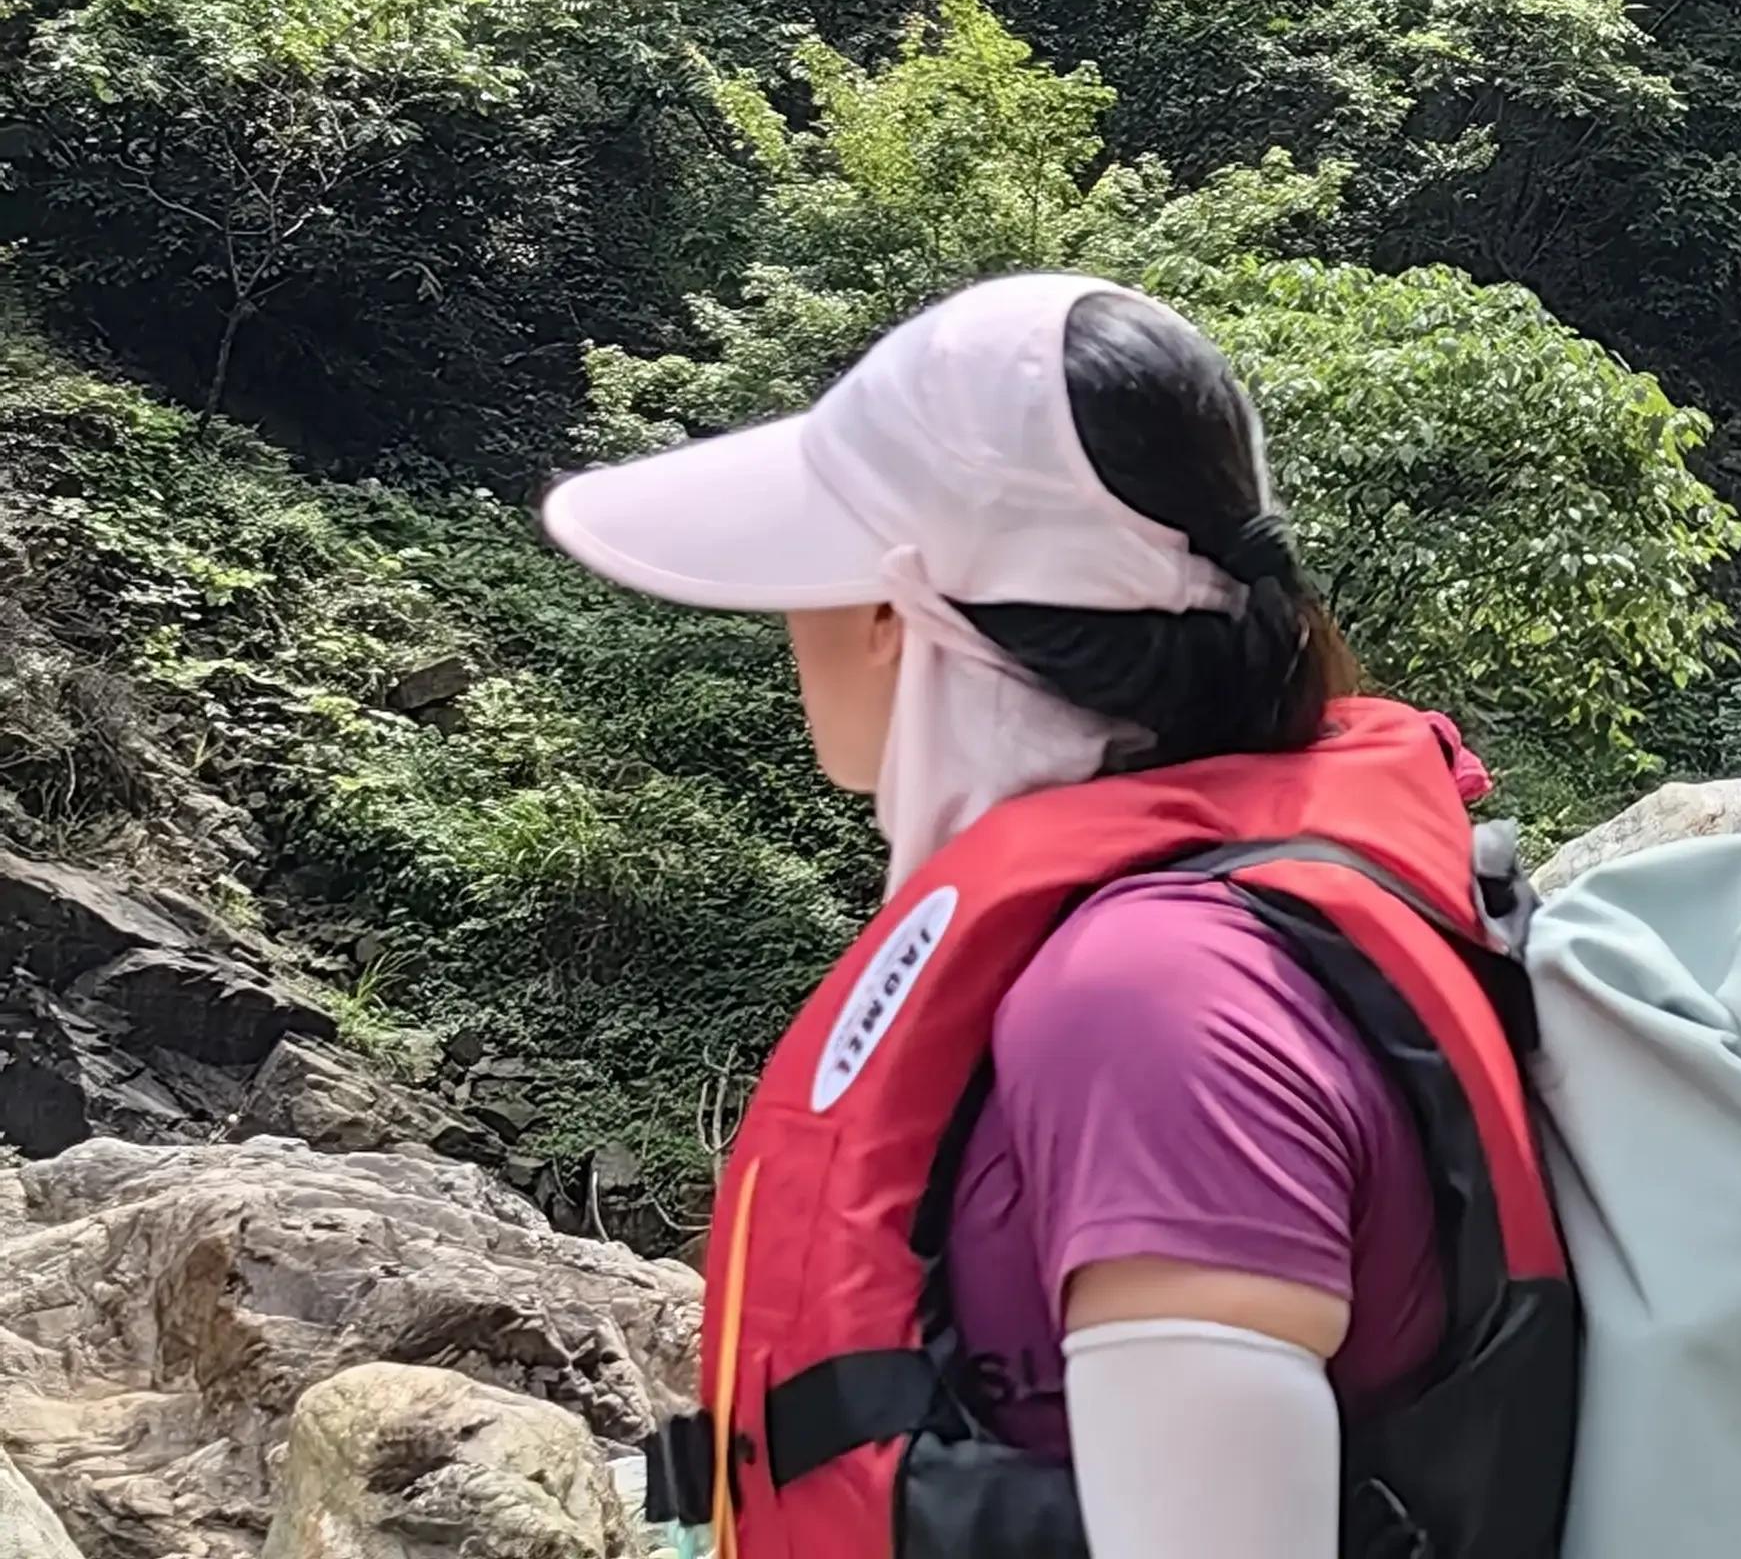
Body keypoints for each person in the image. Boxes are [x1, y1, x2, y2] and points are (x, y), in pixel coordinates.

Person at [545, 272, 1534, 1559]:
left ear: (900, 619)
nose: (792, 623)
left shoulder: (1153, 1000)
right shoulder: (1186, 928)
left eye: (814, 575)